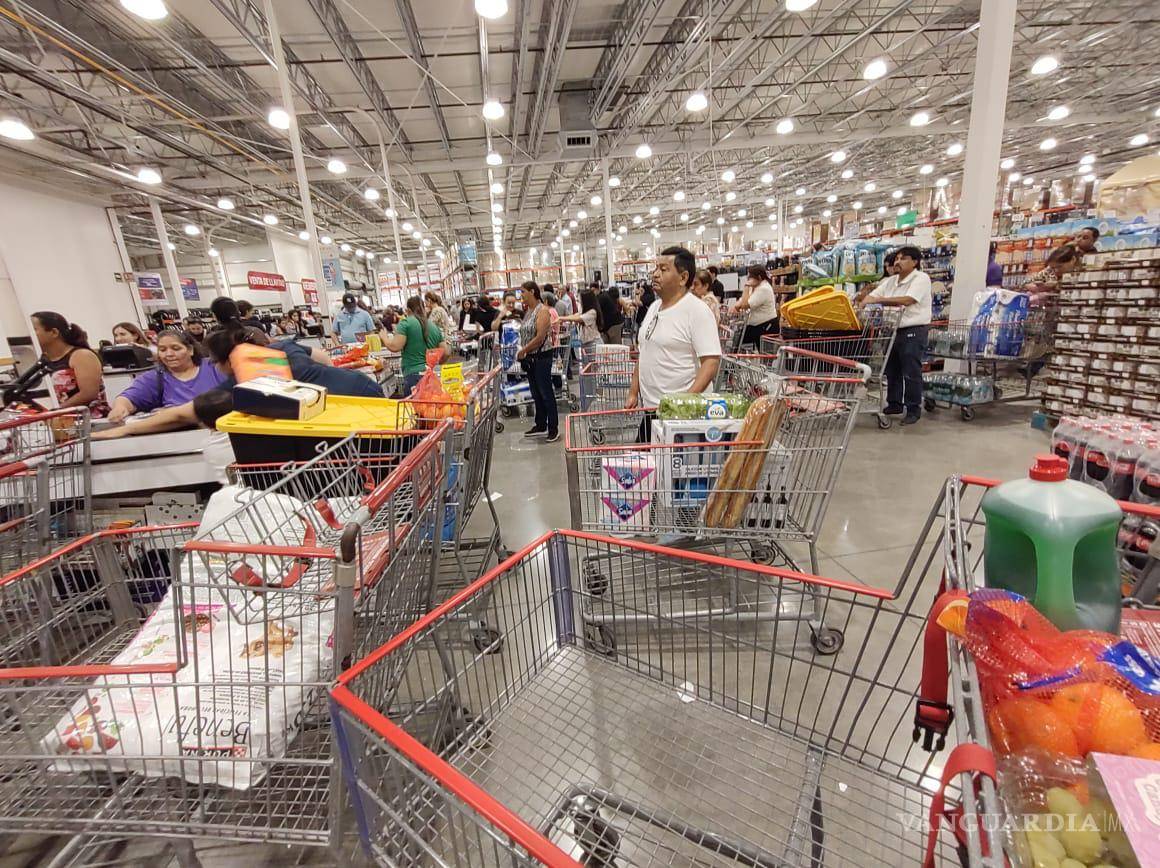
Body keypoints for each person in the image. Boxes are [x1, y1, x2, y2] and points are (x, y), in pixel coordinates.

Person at [93, 314, 382, 440]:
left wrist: (127, 429)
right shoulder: (281, 348)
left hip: (347, 424)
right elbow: (322, 358)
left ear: (221, 362)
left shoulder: (247, 380)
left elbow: (182, 415)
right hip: (367, 397)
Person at [626, 247, 722, 441]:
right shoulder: (654, 307)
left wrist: (683, 402)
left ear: (683, 277)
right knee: (644, 467)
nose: (655, 274)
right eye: (655, 268)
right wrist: (633, 392)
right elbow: (645, 351)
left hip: (682, 418)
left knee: (670, 469)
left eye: (663, 269)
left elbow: (711, 362)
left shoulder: (697, 311)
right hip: (652, 410)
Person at [857, 245, 932, 425]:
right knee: (892, 370)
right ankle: (894, 403)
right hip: (892, 330)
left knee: (911, 371)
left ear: (915, 262)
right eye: (897, 258)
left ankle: (913, 408)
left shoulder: (921, 279)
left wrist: (879, 300)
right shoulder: (891, 281)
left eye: (903, 258)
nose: (898, 261)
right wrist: (861, 302)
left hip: (913, 330)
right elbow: (871, 297)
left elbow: (909, 300)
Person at [106, 330, 227, 423]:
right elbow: (128, 397)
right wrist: (120, 407)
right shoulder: (154, 377)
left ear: (190, 350)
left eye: (176, 348)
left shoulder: (214, 367)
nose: (169, 354)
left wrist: (172, 411)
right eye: (162, 350)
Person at [31, 311, 110, 418]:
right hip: (58, 420)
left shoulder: (81, 355)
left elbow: (88, 393)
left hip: (89, 420)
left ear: (54, 332)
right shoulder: (42, 360)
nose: (30, 334)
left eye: (34, 330)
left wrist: (54, 412)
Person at [515, 281, 559, 443]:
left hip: (542, 357)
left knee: (546, 392)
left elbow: (540, 337)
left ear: (532, 292)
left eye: (523, 292)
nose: (522, 296)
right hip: (531, 358)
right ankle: (540, 424)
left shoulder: (542, 311)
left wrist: (524, 349)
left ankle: (553, 428)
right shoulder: (529, 311)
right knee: (536, 392)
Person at [382, 295, 447, 394]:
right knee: (430, 407)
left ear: (408, 310)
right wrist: (439, 362)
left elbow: (395, 347)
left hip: (413, 377)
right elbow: (446, 352)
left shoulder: (406, 323)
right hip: (430, 376)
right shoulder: (433, 326)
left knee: (413, 408)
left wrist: (384, 337)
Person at [735, 265, 779, 347]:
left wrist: (746, 286)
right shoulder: (755, 287)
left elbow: (745, 305)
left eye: (750, 278)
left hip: (766, 326)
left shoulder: (763, 289)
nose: (749, 280)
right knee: (737, 342)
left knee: (765, 353)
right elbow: (741, 302)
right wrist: (737, 305)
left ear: (759, 277)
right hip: (755, 326)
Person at [558, 287, 604, 363]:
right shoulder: (584, 310)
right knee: (588, 368)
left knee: (593, 368)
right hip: (586, 343)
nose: (579, 301)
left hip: (593, 344)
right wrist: (561, 318)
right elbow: (575, 315)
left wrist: (561, 318)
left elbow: (578, 318)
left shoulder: (592, 312)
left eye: (581, 299)